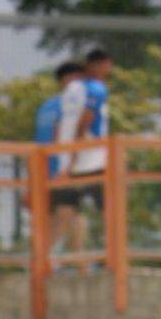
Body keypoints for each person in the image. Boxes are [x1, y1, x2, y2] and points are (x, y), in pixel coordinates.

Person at [51, 44, 113, 259]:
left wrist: (63, 159)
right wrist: (74, 158)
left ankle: (42, 260)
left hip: (67, 162)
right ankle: (113, 259)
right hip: (90, 162)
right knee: (111, 210)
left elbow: (59, 126)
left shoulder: (70, 90)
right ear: (102, 65)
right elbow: (84, 123)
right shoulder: (96, 89)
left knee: (65, 213)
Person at [33, 59, 85, 251]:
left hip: (44, 171)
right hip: (63, 171)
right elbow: (60, 137)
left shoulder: (45, 107)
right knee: (65, 215)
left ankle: (81, 264)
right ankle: (41, 261)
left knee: (70, 216)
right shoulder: (69, 107)